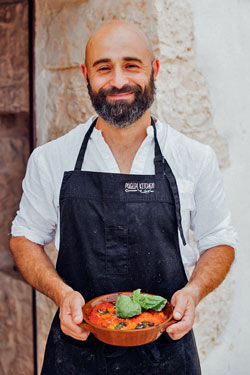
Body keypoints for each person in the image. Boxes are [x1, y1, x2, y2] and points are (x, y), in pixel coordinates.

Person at [10, 20, 237, 375]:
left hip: (168, 354)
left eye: (131, 65)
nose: (118, 81)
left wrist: (193, 292)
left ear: (154, 69)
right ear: (86, 74)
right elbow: (24, 237)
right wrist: (60, 293)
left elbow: (219, 240)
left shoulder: (194, 158)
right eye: (104, 68)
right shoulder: (52, 158)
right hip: (76, 354)